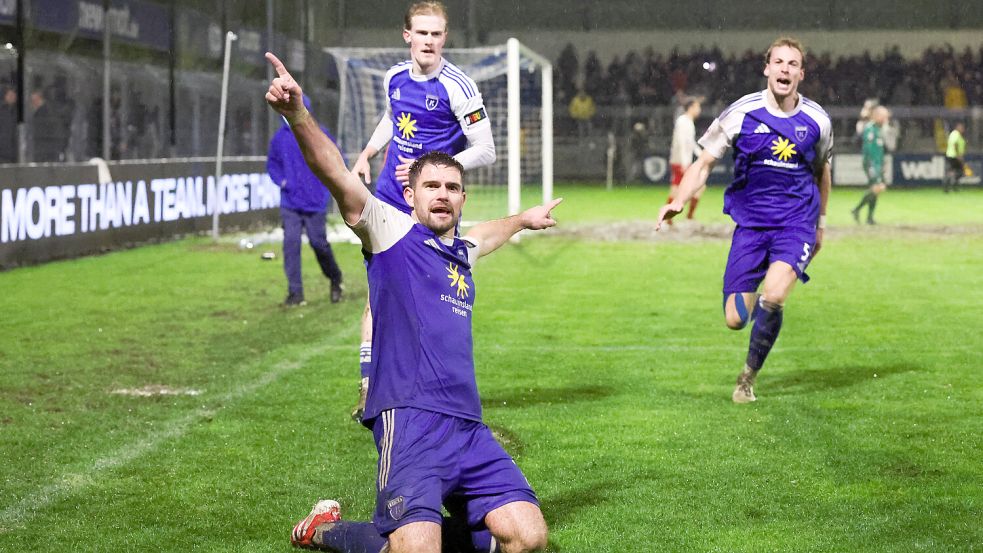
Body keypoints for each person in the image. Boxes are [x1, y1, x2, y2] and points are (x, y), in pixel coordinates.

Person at [266, 50, 556, 553]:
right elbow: (334, 170)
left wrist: (523, 219)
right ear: (412, 193)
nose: (443, 194)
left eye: (452, 188)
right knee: (417, 549)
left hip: (467, 425)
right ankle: (324, 530)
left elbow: (489, 233)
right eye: (432, 187)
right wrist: (297, 114)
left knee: (529, 536)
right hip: (409, 422)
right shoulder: (388, 231)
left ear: (462, 198)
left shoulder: (462, 248)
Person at [656, 37, 833, 403]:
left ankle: (747, 377)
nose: (785, 69)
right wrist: (678, 200)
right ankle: (759, 313)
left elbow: (822, 171)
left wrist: (821, 224)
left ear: (801, 73)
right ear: (767, 68)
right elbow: (703, 163)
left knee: (774, 295)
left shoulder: (817, 120)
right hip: (751, 225)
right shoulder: (742, 113)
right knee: (735, 319)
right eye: (779, 62)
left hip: (795, 222)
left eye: (793, 64)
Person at [349, 1, 497, 423]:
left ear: (444, 38)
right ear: (407, 36)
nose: (429, 41)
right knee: (380, 288)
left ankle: (433, 386)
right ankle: (367, 385)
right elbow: (392, 118)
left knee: (434, 295)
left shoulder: (460, 87)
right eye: (422, 33)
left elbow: (485, 149)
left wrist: (429, 171)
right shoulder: (393, 77)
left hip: (434, 207)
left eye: (437, 34)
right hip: (391, 197)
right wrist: (368, 151)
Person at [267, 95, 345, 306]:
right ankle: (295, 293)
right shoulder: (280, 138)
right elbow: (272, 164)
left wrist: (328, 186)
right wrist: (283, 182)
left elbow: (338, 161)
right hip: (290, 202)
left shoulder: (320, 135)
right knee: (290, 244)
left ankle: (335, 278)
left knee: (318, 244)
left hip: (315, 201)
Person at [664, 98, 702, 224]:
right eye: (697, 107)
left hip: (681, 161)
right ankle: (685, 216)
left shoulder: (687, 122)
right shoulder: (683, 121)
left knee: (678, 189)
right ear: (690, 107)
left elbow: (690, 143)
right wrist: (685, 162)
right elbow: (681, 143)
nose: (699, 110)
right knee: (696, 186)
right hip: (680, 161)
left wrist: (701, 154)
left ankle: (670, 216)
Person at [851, 105, 890, 224]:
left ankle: (870, 218)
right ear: (877, 116)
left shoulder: (878, 129)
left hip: (878, 164)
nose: (886, 119)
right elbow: (868, 149)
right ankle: (856, 210)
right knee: (878, 188)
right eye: (884, 117)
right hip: (871, 164)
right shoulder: (870, 129)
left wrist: (882, 164)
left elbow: (879, 150)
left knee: (877, 189)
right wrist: (872, 166)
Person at [944, 121, 966, 193]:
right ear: (957, 127)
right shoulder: (955, 134)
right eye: (961, 128)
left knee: (956, 171)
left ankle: (951, 185)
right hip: (954, 156)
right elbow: (955, 144)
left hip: (952, 155)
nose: (963, 129)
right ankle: (950, 185)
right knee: (959, 171)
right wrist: (958, 155)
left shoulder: (957, 134)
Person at [0, 85, 17, 163]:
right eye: (10, 95)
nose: (12, 97)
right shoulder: (1, 111)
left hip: (14, 153)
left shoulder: (17, 111)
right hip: (3, 153)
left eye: (14, 95)